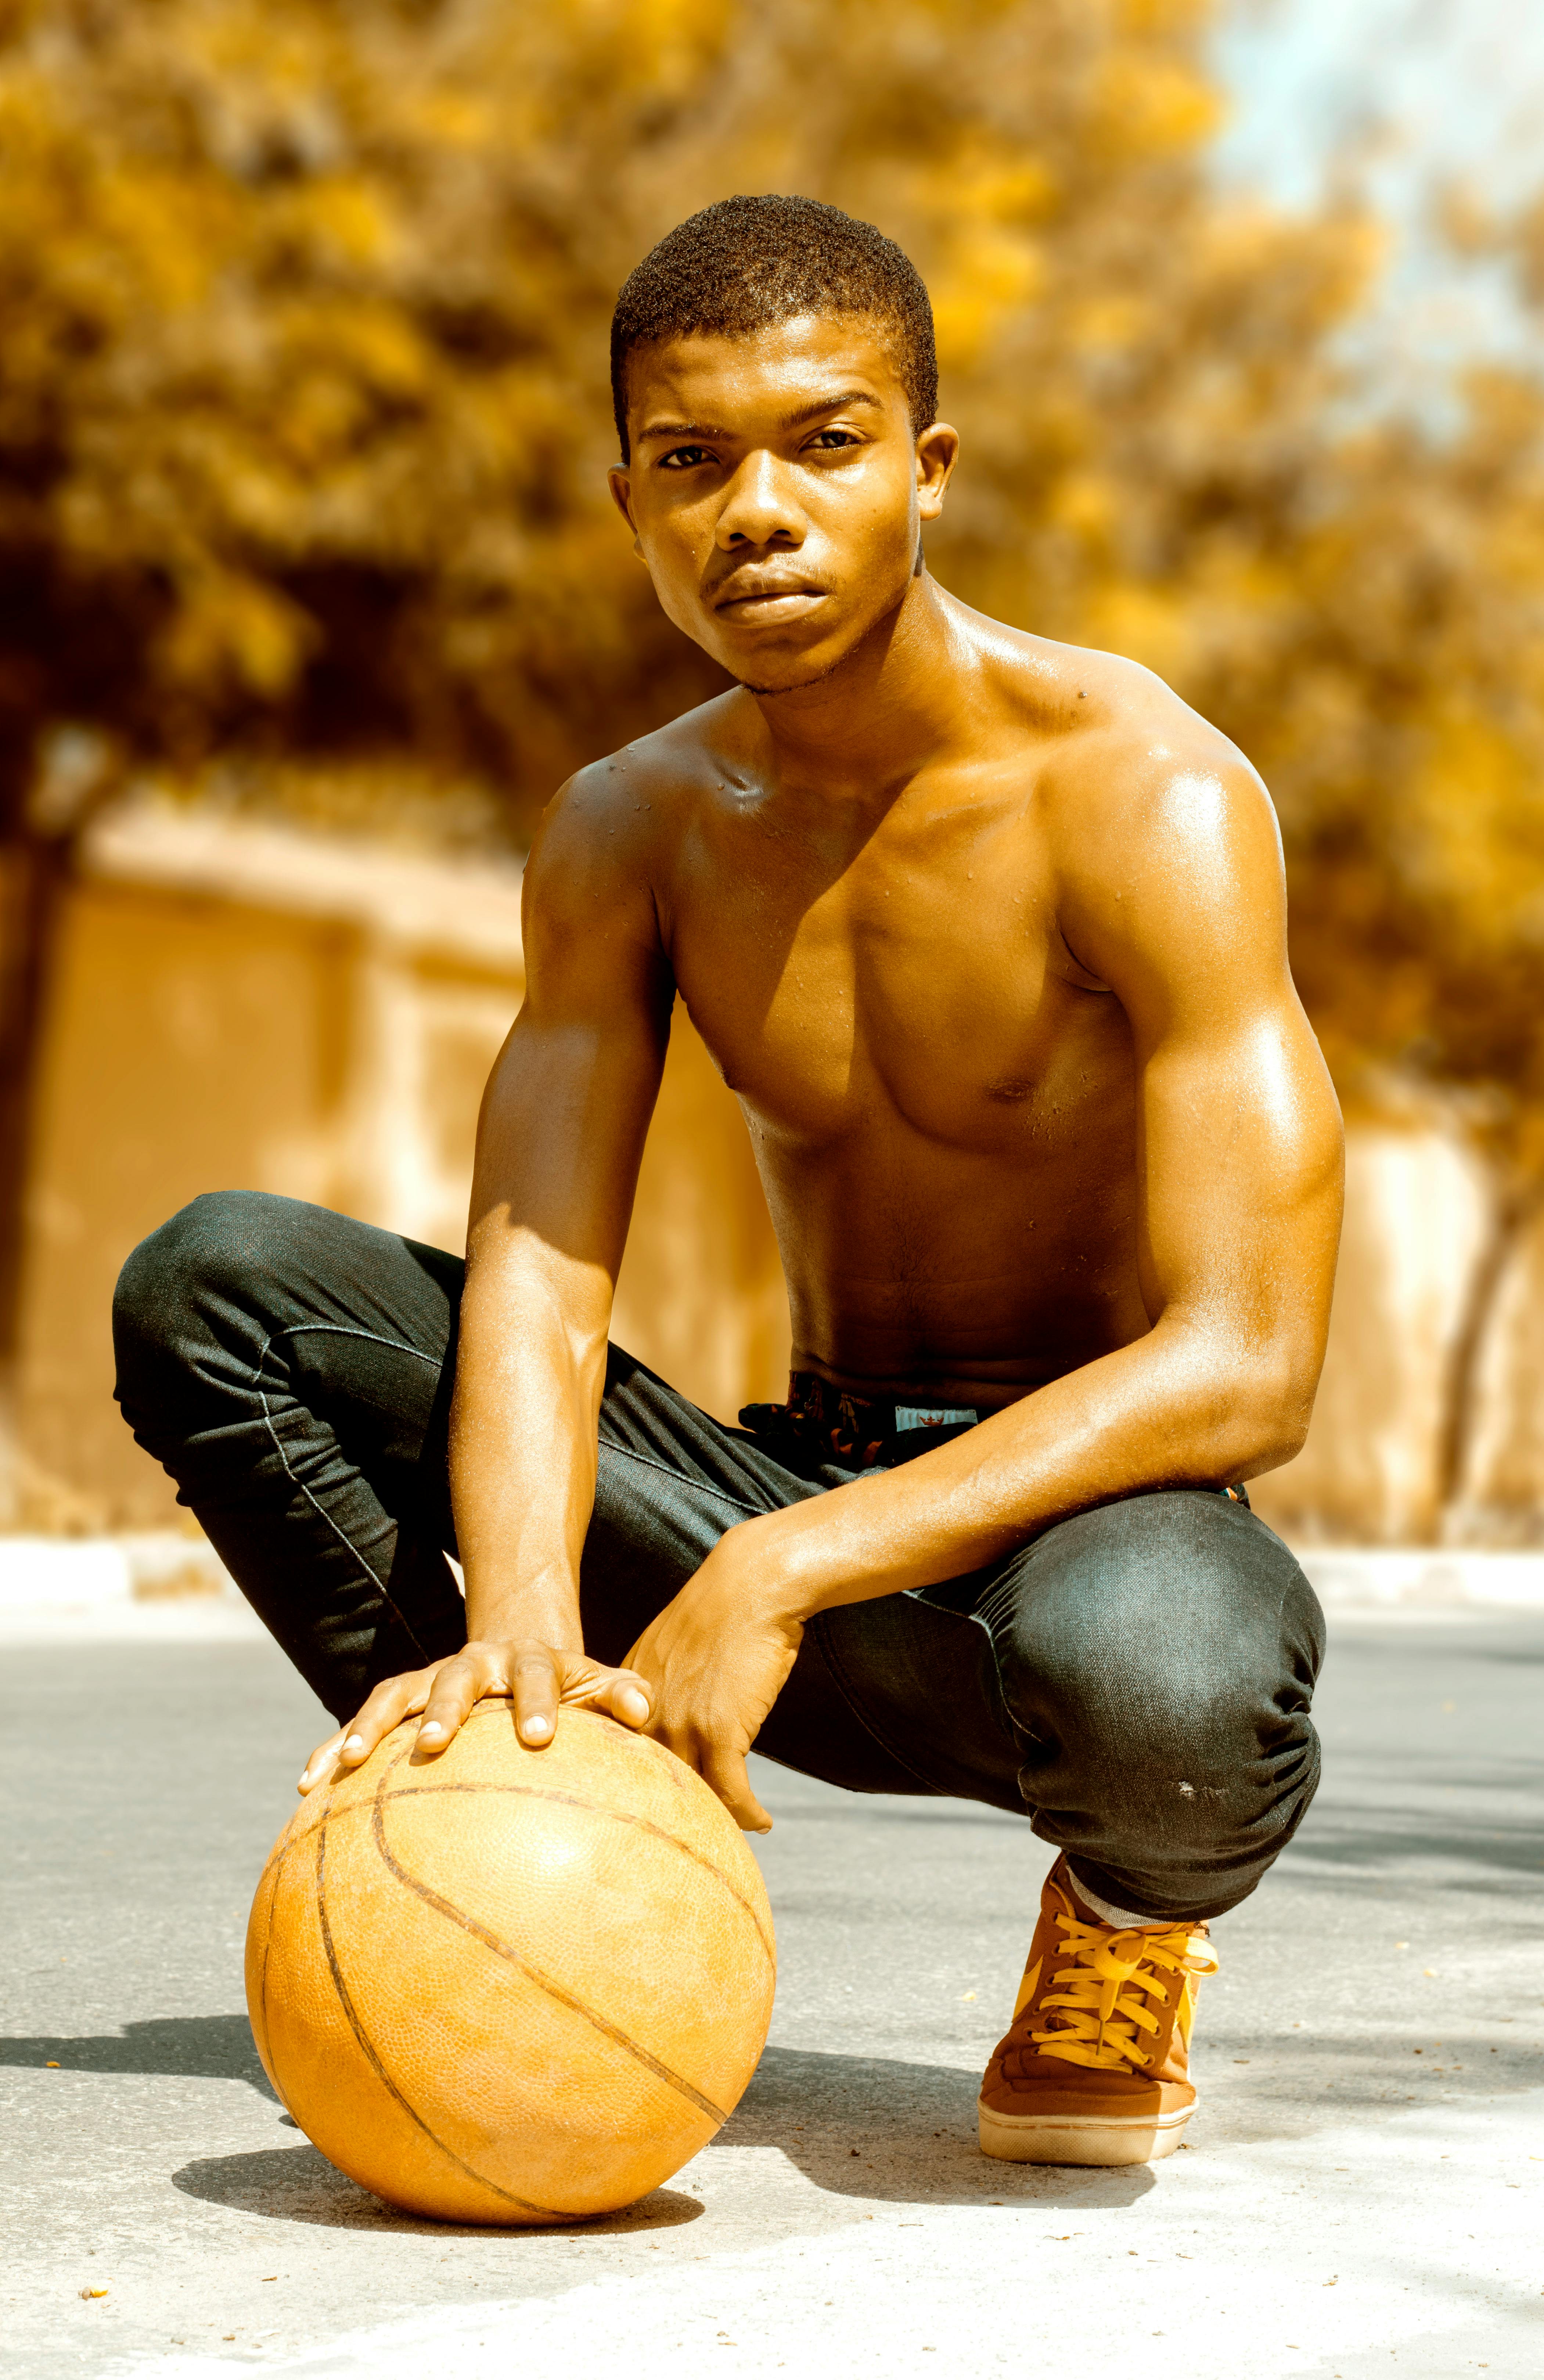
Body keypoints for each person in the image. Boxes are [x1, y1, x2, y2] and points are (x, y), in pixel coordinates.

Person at [113, 194, 1342, 2170]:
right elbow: (541, 1268)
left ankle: (1127, 1928)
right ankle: (500, 1791)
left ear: (928, 473)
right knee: (215, 1285)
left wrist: (782, 1567)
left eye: (824, 444)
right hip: (787, 1477)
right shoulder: (635, 826)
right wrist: (520, 1605)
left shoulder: (1147, 794)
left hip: (1079, 1537)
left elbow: (1247, 1364)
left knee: (1178, 1692)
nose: (753, 512)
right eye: (691, 464)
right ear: (631, 506)